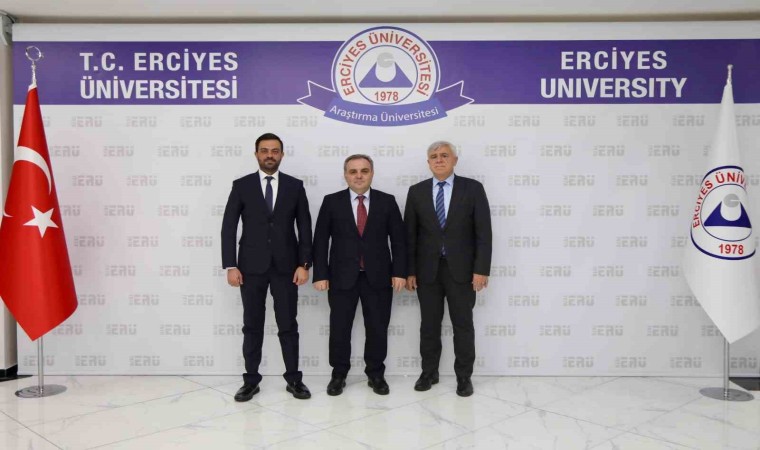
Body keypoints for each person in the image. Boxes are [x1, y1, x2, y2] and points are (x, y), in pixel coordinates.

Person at [221, 132, 313, 401]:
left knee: (288, 325)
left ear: (282, 154)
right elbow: (229, 227)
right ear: (256, 154)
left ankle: (294, 380)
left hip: (287, 268)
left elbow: (305, 227)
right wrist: (230, 265)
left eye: (274, 151)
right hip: (250, 268)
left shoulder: (295, 186)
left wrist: (304, 264)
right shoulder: (242, 185)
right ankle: (250, 381)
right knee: (252, 325)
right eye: (264, 150)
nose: (269, 155)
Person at [312, 154, 406, 396]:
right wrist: (320, 274)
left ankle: (375, 374)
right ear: (345, 175)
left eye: (364, 171)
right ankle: (338, 374)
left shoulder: (387, 201)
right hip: (341, 277)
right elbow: (320, 240)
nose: (359, 176)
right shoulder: (331, 202)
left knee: (377, 327)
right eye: (353, 171)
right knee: (339, 327)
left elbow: (399, 241)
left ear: (372, 173)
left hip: (379, 277)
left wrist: (399, 272)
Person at [404, 141, 492, 397]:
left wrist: (481, 269)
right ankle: (428, 372)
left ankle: (464, 377)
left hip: (462, 272)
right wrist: (410, 271)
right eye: (434, 156)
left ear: (455, 160)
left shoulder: (472, 189)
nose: (439, 159)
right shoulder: (416, 191)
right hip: (427, 272)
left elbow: (483, 233)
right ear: (428, 163)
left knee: (463, 325)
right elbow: (409, 236)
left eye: (444, 155)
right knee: (429, 325)